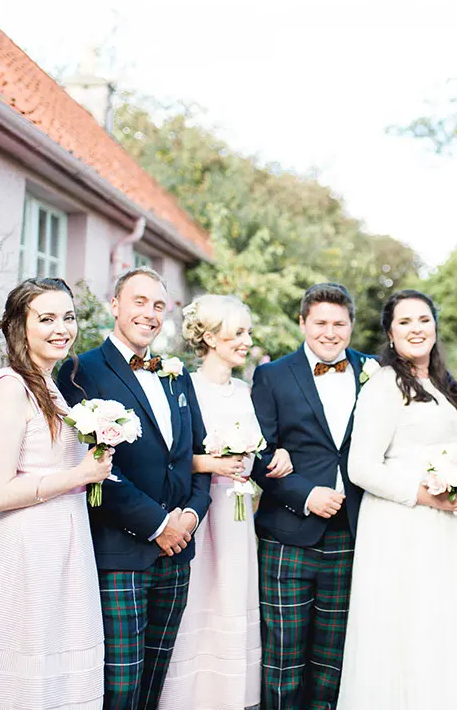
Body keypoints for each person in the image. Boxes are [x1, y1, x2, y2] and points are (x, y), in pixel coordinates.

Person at [0, 277, 109, 710]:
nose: (62, 328)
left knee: (54, 686)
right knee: (20, 686)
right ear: (20, 326)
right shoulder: (10, 387)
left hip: (64, 549)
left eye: (69, 317)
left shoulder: (51, 386)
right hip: (24, 553)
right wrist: (81, 474)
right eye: (47, 318)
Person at [58, 268, 212, 710]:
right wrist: (158, 523)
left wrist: (189, 516)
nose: (149, 313)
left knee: (153, 682)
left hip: (178, 551)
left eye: (158, 306)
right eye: (139, 301)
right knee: (119, 689)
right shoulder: (80, 370)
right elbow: (92, 466)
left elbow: (195, 456)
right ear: (115, 305)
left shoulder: (176, 375)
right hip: (121, 551)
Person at [337, 289, 457, 709]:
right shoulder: (383, 385)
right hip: (404, 525)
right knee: (409, 625)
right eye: (404, 321)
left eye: (423, 319)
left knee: (446, 625)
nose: (416, 329)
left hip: (450, 527)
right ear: (390, 333)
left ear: (435, 327)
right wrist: (424, 495)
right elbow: (361, 467)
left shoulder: (446, 383)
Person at [158, 295, 293, 710]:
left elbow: (258, 451)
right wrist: (215, 462)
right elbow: (174, 455)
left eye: (247, 333)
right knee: (199, 601)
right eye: (238, 334)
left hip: (237, 518)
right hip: (200, 511)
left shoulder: (244, 389)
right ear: (212, 338)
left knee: (233, 597)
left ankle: (229, 698)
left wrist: (278, 454)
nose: (246, 341)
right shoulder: (183, 386)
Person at [249, 283, 369, 710]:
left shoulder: (375, 371)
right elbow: (257, 452)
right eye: (320, 323)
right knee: (283, 656)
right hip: (289, 532)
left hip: (354, 533)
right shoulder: (272, 375)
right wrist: (304, 495)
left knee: (333, 658)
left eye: (339, 323)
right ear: (303, 323)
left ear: (352, 326)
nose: (330, 332)